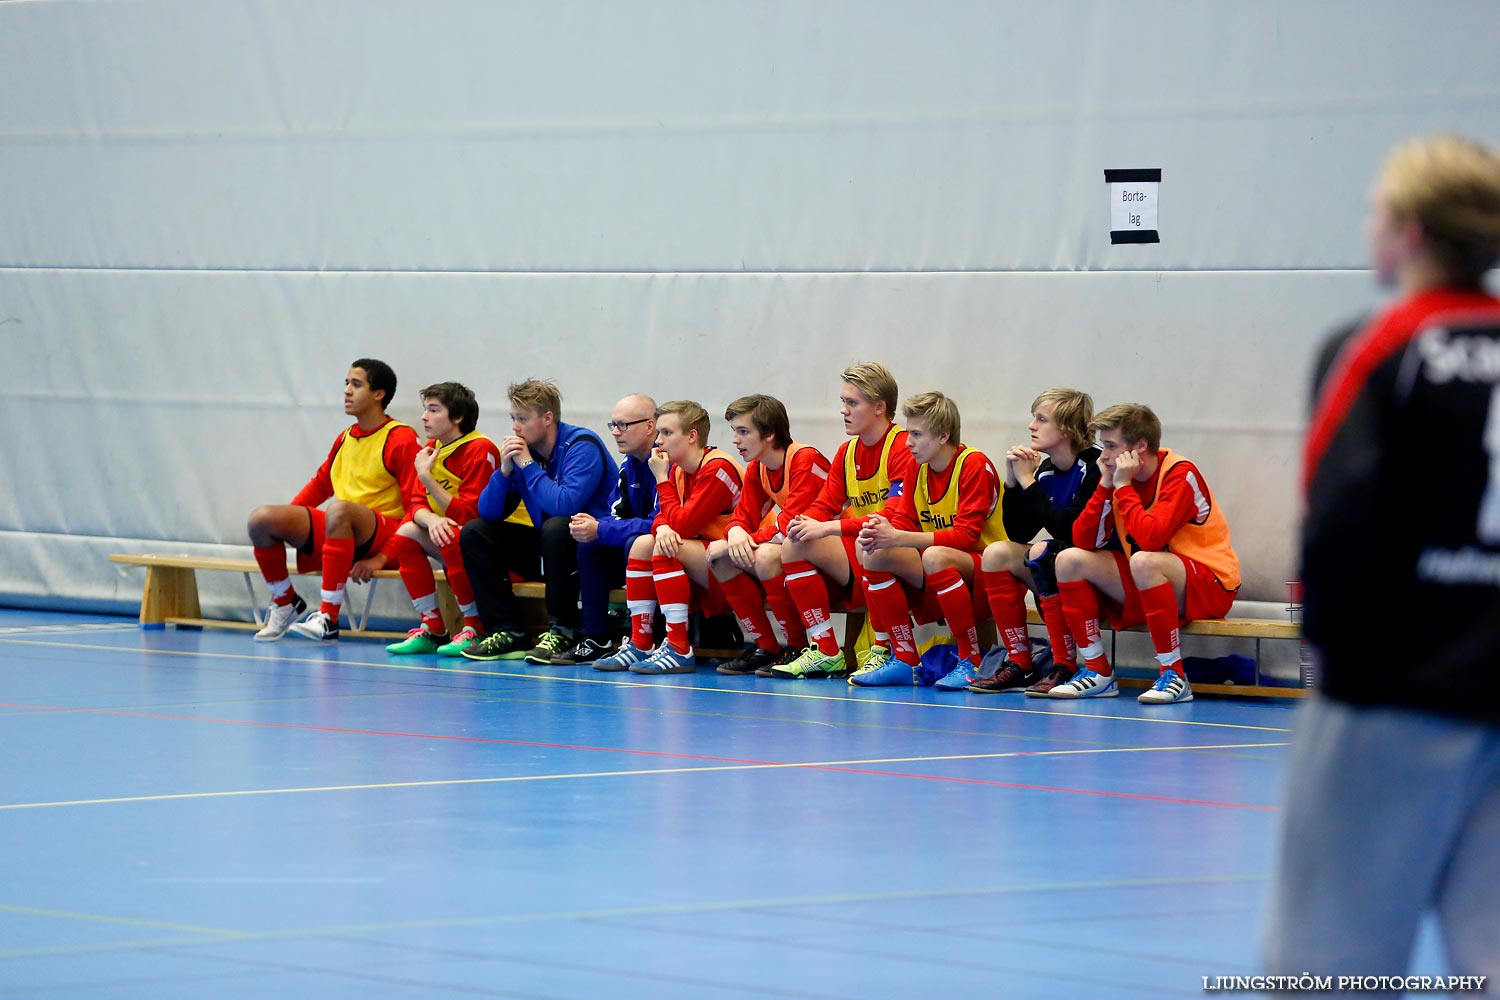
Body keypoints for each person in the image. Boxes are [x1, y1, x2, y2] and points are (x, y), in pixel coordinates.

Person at [1266, 134, 1500, 984]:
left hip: (1391, 695)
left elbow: (1337, 523)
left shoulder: (1380, 347)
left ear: (1406, 232)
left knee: (1331, 962)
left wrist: (1329, 658)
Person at [1048, 404, 1240, 704]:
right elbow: (1084, 540)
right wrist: (1106, 484)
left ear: (1140, 446)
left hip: (1210, 583)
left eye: (1111, 447)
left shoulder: (1179, 473)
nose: (1104, 456)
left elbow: (1150, 539)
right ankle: (1097, 671)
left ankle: (1174, 674)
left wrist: (1122, 486)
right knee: (1069, 560)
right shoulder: (1117, 476)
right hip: (1152, 577)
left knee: (1144, 560)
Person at [247, 359, 421, 641]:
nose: (347, 391)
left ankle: (328, 617)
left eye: (356, 384)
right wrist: (289, 524)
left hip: (387, 537)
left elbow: (416, 507)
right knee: (262, 519)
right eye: (346, 383)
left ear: (379, 394)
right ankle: (285, 600)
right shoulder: (344, 438)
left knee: (338, 509)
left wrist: (381, 557)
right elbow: (320, 485)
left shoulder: (401, 438)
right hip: (342, 531)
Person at [773, 362, 918, 680]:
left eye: (852, 403)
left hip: (905, 550)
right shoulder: (847, 451)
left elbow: (891, 518)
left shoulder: (902, 446)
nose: (843, 410)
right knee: (794, 544)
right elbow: (824, 505)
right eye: (843, 402)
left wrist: (825, 527)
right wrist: (802, 522)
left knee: (871, 544)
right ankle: (825, 650)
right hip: (865, 549)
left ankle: (882, 649)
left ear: (880, 407)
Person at [851, 391, 1007, 688]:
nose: (908, 442)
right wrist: (885, 531)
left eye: (916, 434)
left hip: (986, 566)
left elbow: (966, 536)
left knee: (935, 555)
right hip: (940, 564)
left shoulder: (973, 464)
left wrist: (898, 535)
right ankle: (904, 657)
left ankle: (971, 659)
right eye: (908, 433)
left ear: (943, 435)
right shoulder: (916, 466)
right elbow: (905, 520)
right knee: (871, 551)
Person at [458, 379, 613, 662]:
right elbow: (488, 512)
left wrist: (527, 465)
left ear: (547, 418)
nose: (515, 426)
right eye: (513, 418)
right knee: (475, 532)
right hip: (552, 550)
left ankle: (562, 629)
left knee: (558, 526)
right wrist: (504, 472)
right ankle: (507, 631)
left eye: (523, 419)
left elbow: (564, 505)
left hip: (596, 551)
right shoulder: (522, 456)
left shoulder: (582, 446)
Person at [590, 400, 744, 675]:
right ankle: (641, 642)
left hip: (736, 565)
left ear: (692, 436)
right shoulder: (679, 468)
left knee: (665, 548)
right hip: (706, 556)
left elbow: (683, 524)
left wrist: (661, 482)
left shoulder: (716, 468)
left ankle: (678, 648)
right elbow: (663, 516)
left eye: (666, 433)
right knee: (641, 544)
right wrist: (661, 527)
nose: (658, 441)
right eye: (658, 433)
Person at [969, 388, 1101, 695]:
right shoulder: (1046, 470)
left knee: (1048, 552)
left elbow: (1069, 529)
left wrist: (1028, 481)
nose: (1031, 426)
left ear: (1067, 429)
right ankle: (1020, 662)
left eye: (1041, 419)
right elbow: (1018, 533)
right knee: (997, 553)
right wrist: (1013, 482)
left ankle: (1064, 664)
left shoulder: (1093, 467)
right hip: (1064, 565)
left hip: (1096, 568)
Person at [706, 394, 832, 676]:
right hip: (801, 547)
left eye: (743, 432)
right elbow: (742, 517)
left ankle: (797, 647)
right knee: (720, 558)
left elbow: (792, 522)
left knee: (763, 555)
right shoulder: (758, 467)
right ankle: (768, 647)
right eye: (734, 432)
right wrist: (735, 532)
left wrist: (736, 540)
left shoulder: (804, 458)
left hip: (840, 552)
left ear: (770, 433)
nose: (736, 440)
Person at [383, 382, 500, 656]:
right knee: (406, 535)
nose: (424, 417)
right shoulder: (431, 448)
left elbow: (471, 517)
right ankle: (433, 627)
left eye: (433, 410)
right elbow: (415, 504)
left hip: (498, 550)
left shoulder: (480, 449)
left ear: (457, 417)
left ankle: (475, 627)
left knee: (450, 533)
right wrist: (431, 519)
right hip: (459, 541)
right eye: (425, 409)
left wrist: (426, 478)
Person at [562, 394, 661, 665]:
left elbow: (659, 522)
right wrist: (595, 527)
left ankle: (645, 639)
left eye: (624, 425)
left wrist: (601, 529)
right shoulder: (628, 466)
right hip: (636, 553)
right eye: (613, 425)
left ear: (650, 426)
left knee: (635, 543)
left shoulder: (667, 464)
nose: (616, 433)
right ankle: (595, 638)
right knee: (590, 544)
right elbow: (614, 515)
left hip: (667, 552)